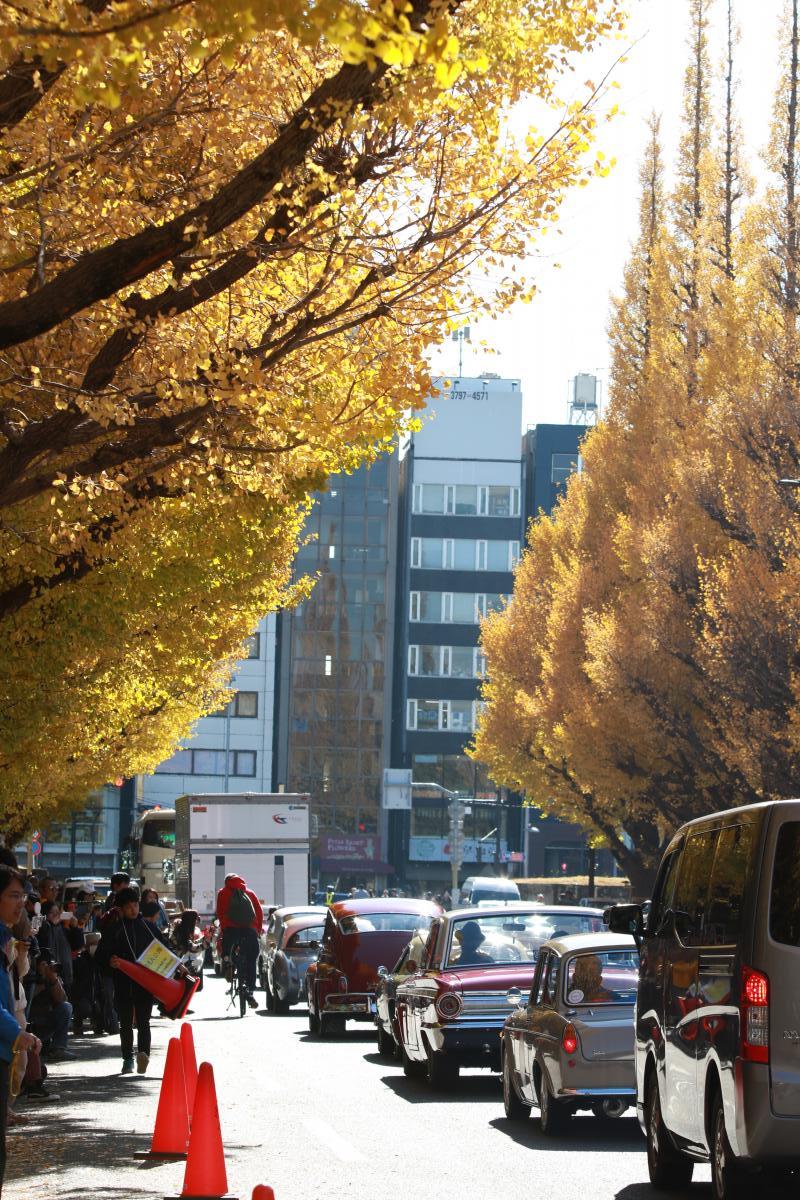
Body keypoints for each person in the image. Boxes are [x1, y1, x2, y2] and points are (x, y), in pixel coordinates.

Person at [0, 866, 42, 1193]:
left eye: (23, 897)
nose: (20, 904)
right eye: (14, 895)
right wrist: (15, 1031)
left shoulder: (7, 938)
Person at [95, 886, 168, 1075]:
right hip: (123, 983)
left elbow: (165, 950)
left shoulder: (148, 927)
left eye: (135, 905)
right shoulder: (114, 930)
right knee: (125, 1022)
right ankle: (127, 1058)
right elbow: (101, 955)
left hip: (145, 983)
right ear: (120, 909)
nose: (133, 910)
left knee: (144, 1021)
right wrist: (109, 961)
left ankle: (143, 1054)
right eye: (128, 907)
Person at [215, 874, 262, 1009]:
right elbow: (258, 912)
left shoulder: (223, 893)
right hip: (249, 930)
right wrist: (256, 930)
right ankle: (251, 991)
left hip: (232, 929)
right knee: (251, 959)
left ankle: (227, 962)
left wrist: (225, 928)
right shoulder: (250, 892)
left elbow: (220, 912)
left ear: (226, 882)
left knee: (227, 946)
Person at [27, 950, 75, 1062]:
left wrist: (53, 980)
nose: (48, 967)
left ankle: (58, 1049)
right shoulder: (28, 976)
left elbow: (62, 999)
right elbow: (25, 998)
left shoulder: (53, 978)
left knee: (66, 1007)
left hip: (46, 1025)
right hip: (28, 1026)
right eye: (44, 964)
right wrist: (40, 984)